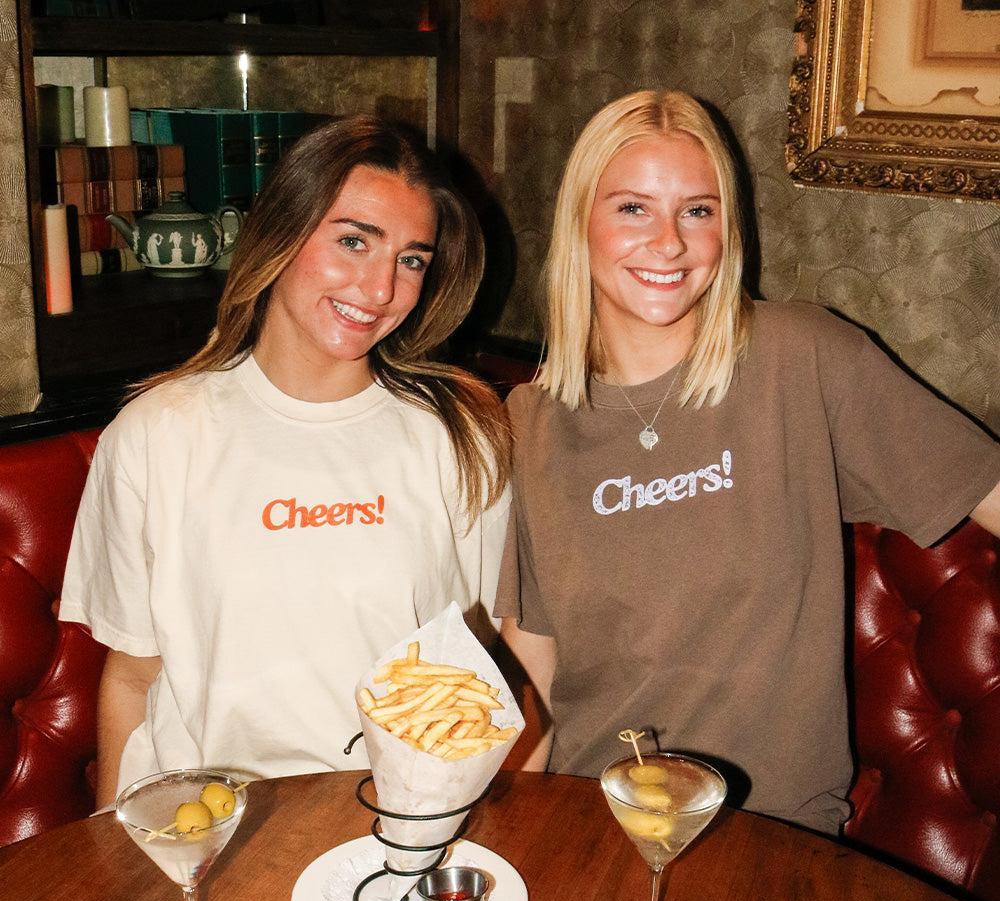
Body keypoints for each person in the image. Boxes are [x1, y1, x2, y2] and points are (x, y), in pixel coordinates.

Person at [493, 90, 1000, 835]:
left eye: (697, 211)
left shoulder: (801, 358)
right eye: (633, 208)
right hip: (594, 815)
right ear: (580, 224)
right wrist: (505, 829)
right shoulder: (530, 420)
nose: (669, 242)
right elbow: (535, 658)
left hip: (767, 830)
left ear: (727, 228)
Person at [60, 116, 511, 807]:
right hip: (209, 825)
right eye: (354, 241)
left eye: (411, 260)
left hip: (398, 823)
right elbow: (130, 676)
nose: (380, 288)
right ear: (280, 234)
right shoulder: (154, 435)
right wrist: (116, 846)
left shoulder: (462, 436)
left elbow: (487, 670)